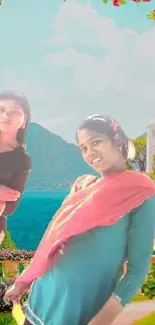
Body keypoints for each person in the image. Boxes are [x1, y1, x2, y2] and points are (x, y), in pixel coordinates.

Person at [4, 114, 155, 325]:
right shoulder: (82, 186)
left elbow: (137, 272)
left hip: (80, 313)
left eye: (95, 142)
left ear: (118, 140)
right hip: (41, 298)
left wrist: (101, 321)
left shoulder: (141, 192)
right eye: (83, 148)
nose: (89, 153)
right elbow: (52, 240)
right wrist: (23, 282)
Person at [0, 91, 31, 244]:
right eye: (1, 110)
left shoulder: (22, 160)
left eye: (14, 112)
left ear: (24, 121)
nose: (6, 115)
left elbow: (9, 207)